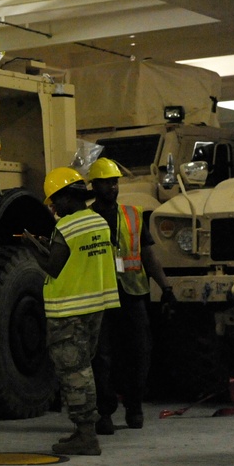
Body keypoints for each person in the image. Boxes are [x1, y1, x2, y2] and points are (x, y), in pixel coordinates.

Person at [23, 167, 119, 456]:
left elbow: (54, 266)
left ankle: (86, 434)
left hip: (69, 309)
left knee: (74, 372)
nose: (52, 207)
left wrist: (32, 248)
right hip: (94, 307)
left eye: (54, 200)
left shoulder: (67, 227)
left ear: (67, 197)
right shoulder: (98, 222)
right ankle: (83, 430)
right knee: (84, 368)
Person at [87, 157, 174, 434]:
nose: (113, 187)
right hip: (100, 296)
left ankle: (134, 407)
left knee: (138, 353)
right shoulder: (86, 220)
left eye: (115, 182)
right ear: (94, 185)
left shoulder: (133, 215)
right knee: (102, 358)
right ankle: (105, 412)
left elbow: (148, 255)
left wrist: (167, 288)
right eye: (106, 183)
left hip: (132, 294)